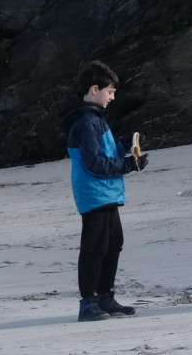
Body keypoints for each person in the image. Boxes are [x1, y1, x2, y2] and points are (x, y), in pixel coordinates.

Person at [60, 60, 149, 321]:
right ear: (95, 89)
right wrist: (128, 165)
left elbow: (104, 153)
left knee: (113, 244)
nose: (112, 97)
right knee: (94, 247)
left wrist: (125, 147)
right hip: (94, 193)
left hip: (107, 192)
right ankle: (87, 303)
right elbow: (94, 162)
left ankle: (105, 298)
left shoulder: (97, 119)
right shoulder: (87, 122)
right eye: (110, 92)